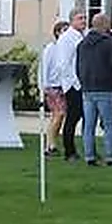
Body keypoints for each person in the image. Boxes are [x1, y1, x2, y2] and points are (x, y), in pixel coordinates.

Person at [76, 12, 112, 167]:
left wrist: (83, 82)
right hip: (106, 89)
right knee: (109, 125)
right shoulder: (109, 44)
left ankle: (89, 155)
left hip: (88, 89)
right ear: (104, 25)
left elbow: (78, 67)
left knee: (88, 126)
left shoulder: (82, 44)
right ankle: (110, 156)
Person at [56, 9, 87, 160]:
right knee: (73, 117)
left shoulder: (81, 36)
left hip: (81, 83)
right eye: (80, 18)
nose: (83, 21)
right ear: (72, 21)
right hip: (73, 85)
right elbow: (64, 63)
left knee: (81, 116)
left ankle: (81, 149)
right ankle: (69, 151)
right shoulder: (67, 38)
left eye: (84, 18)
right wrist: (74, 83)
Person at [39, 20, 69, 155]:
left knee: (58, 116)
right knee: (59, 114)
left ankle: (52, 142)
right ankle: (50, 144)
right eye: (64, 30)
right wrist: (44, 85)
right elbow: (45, 67)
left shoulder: (64, 49)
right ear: (57, 33)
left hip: (62, 86)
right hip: (52, 86)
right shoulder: (51, 48)